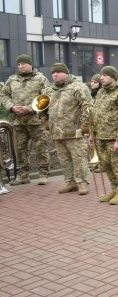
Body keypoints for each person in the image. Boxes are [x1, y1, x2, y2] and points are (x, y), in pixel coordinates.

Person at [0, 54, 51, 185]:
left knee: (41, 147)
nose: (21, 66)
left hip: (36, 120)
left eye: (23, 63)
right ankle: (23, 175)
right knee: (20, 148)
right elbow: (3, 94)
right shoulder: (12, 80)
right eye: (18, 64)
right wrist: (11, 107)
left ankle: (43, 174)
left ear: (30, 64)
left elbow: (46, 97)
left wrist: (30, 108)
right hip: (19, 121)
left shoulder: (40, 79)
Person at [45, 63, 92, 195]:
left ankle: (82, 183)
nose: (55, 74)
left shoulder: (78, 87)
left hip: (75, 131)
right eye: (53, 73)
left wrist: (85, 125)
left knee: (79, 158)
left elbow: (87, 106)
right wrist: (44, 121)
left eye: (58, 72)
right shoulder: (49, 89)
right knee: (64, 159)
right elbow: (41, 106)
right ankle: (70, 182)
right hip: (57, 132)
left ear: (66, 73)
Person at [90, 66, 118, 205]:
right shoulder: (101, 92)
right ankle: (114, 189)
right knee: (106, 165)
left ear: (113, 77)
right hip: (100, 136)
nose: (101, 77)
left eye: (105, 75)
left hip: (114, 137)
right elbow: (96, 113)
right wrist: (93, 134)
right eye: (100, 75)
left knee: (117, 165)